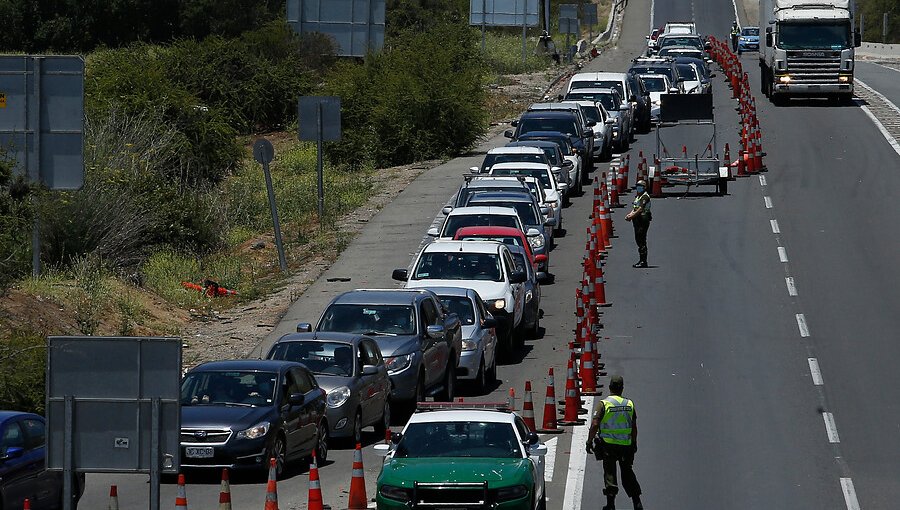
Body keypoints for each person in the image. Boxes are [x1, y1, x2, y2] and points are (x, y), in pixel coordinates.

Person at [586, 376, 642, 510]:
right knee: (627, 472)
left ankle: (611, 505)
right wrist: (634, 443)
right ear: (622, 389)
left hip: (608, 446)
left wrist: (589, 442)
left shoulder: (604, 404)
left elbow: (594, 424)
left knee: (610, 474)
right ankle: (637, 503)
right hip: (626, 446)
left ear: (610, 387)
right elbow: (634, 427)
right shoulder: (629, 404)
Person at [624, 179, 651, 268]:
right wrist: (630, 215)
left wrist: (631, 216)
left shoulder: (645, 197)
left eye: (641, 186)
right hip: (637, 219)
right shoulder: (638, 196)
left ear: (644, 187)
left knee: (641, 239)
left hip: (643, 219)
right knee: (638, 239)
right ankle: (641, 260)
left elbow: (640, 209)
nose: (638, 188)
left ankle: (643, 261)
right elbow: (635, 208)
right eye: (638, 186)